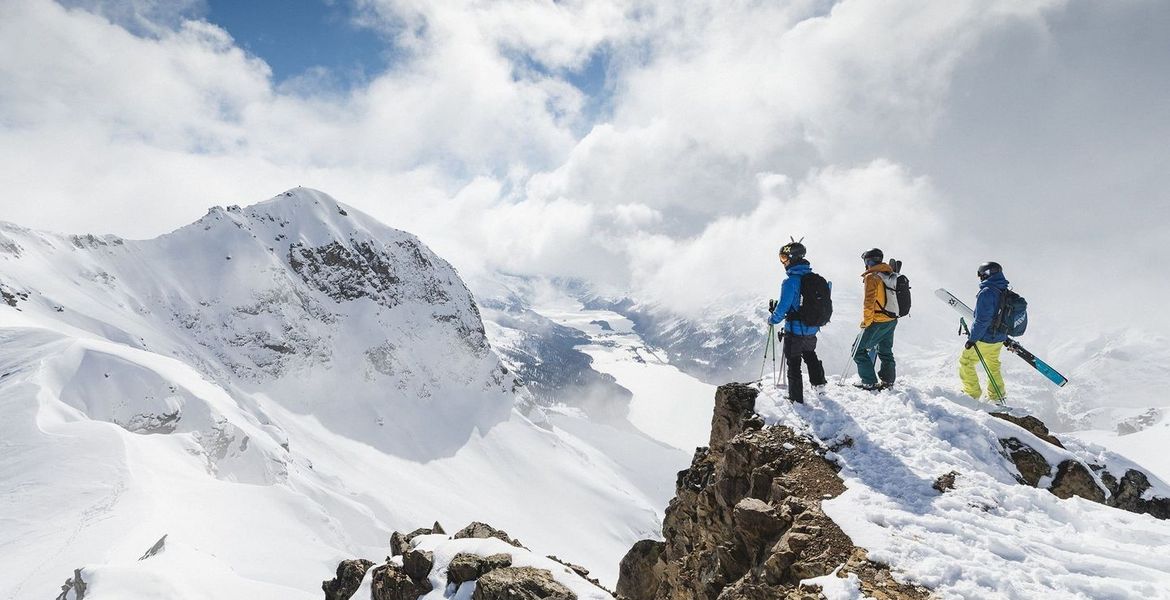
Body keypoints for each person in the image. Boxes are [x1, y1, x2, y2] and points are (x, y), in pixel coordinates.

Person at [767, 241, 827, 403]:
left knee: (793, 363)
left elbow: (783, 306)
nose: (783, 261)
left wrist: (772, 319)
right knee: (810, 354)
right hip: (812, 328)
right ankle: (820, 385)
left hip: (794, 330)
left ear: (793, 258)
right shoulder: (815, 279)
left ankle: (795, 398)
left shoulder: (790, 281)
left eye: (784, 257)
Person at [961, 261, 1009, 401]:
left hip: (986, 338)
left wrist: (972, 340)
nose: (980, 278)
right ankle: (997, 395)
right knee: (992, 364)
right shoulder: (1003, 289)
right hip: (999, 337)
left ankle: (972, 394)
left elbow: (982, 320)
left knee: (966, 361)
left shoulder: (987, 292)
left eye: (981, 275)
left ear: (987, 274)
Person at [853, 248, 897, 390]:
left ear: (868, 261)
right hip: (891, 319)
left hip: (877, 320)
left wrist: (866, 322)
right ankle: (888, 381)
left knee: (857, 350)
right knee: (885, 350)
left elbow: (869, 302)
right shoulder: (889, 273)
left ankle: (869, 381)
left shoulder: (872, 277)